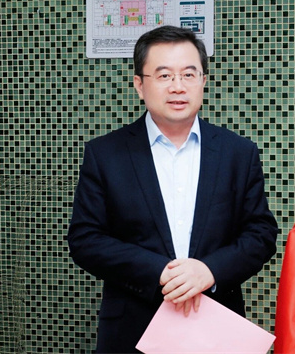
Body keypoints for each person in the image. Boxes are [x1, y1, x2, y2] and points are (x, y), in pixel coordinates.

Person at [68, 25, 279, 353]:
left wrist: (209, 270)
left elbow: (261, 234)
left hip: (215, 325)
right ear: (139, 85)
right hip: (133, 328)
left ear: (203, 81)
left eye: (189, 74)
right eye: (164, 75)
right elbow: (85, 239)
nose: (178, 86)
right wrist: (160, 272)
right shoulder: (105, 154)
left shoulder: (238, 153)